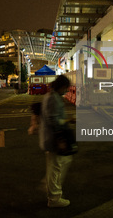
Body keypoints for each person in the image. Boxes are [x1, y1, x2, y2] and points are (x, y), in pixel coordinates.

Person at [38, 75, 73, 208]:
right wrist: (68, 121)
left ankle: (49, 187)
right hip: (54, 139)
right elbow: (54, 121)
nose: (67, 91)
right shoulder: (53, 98)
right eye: (66, 88)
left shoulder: (50, 95)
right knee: (56, 168)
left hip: (50, 138)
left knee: (58, 165)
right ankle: (54, 198)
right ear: (62, 86)